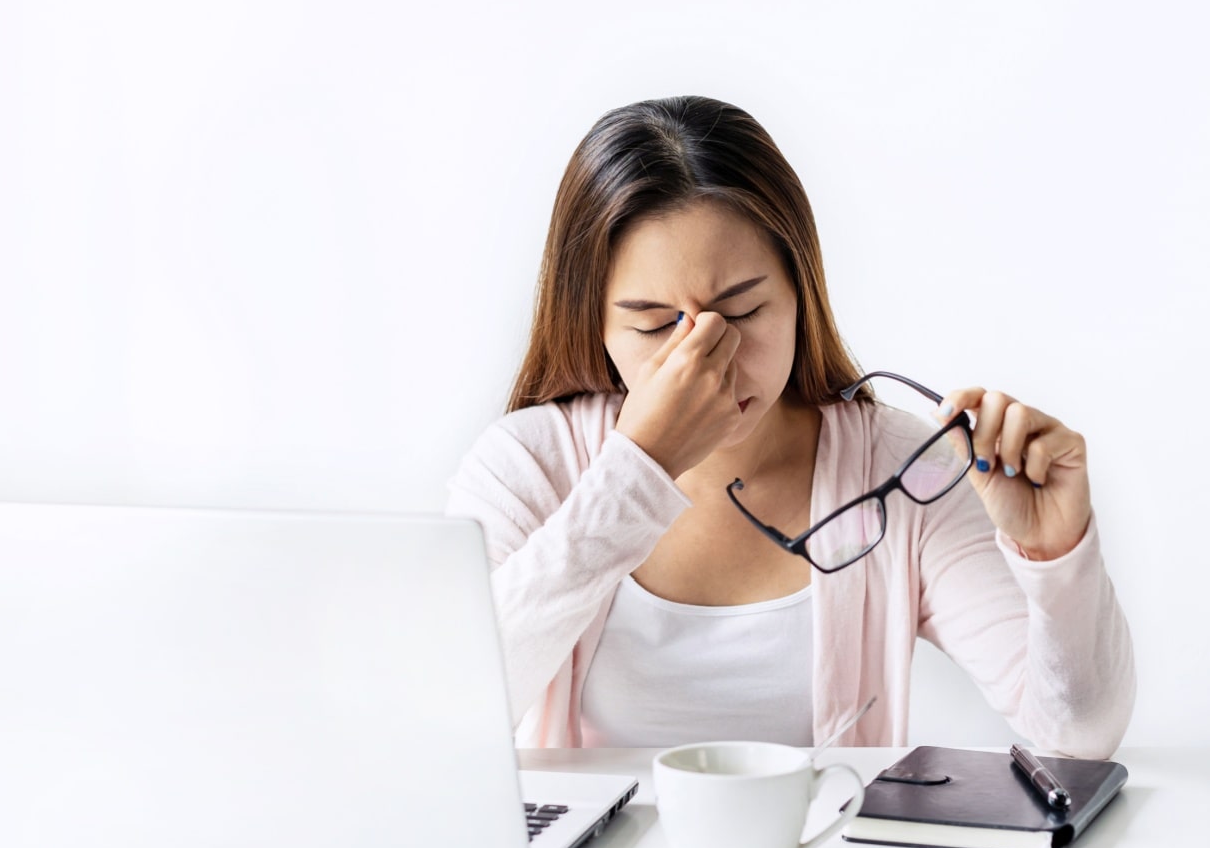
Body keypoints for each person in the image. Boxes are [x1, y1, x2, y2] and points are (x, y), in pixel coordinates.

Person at [445, 95, 1135, 757]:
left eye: (743, 313)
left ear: (800, 295)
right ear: (594, 324)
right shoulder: (526, 466)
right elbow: (452, 711)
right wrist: (640, 466)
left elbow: (1078, 737)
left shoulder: (898, 470)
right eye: (655, 324)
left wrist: (1058, 556)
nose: (704, 364)